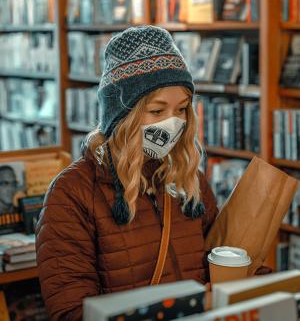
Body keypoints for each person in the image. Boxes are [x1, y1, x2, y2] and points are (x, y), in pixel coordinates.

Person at [35, 25, 218, 320]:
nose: (172, 123)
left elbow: (222, 255)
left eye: (182, 109)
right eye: (157, 111)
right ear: (122, 115)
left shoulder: (187, 178)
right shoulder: (73, 192)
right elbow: (71, 310)